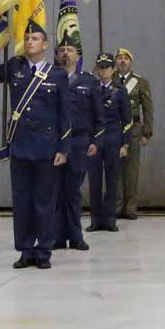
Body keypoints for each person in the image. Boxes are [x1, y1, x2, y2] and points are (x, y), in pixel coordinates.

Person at [0, 22, 70, 268]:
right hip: (21, 146)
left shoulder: (57, 74)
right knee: (23, 201)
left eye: (35, 38)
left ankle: (44, 251)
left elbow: (65, 114)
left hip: (47, 148)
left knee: (44, 202)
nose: (29, 42)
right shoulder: (15, 66)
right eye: (26, 38)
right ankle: (26, 250)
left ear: (45, 45)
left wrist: (63, 148)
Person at [52, 40, 101, 251]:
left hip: (79, 143)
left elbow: (99, 115)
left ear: (78, 56)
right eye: (61, 51)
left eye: (69, 50)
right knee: (55, 191)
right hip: (54, 143)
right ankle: (58, 237)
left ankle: (76, 236)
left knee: (72, 191)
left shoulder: (89, 82)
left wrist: (96, 141)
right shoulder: (49, 78)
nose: (65, 54)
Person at [87, 53, 131, 232]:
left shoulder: (120, 91)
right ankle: (96, 220)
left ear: (113, 69)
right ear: (96, 69)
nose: (103, 70)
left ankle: (110, 219)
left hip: (113, 138)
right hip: (95, 139)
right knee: (94, 181)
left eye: (107, 67)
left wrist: (125, 144)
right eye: (100, 67)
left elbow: (127, 120)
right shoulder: (90, 89)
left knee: (112, 180)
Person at [114, 48, 153, 219]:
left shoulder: (140, 82)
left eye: (126, 58)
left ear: (131, 62)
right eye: (120, 58)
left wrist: (147, 132)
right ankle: (115, 207)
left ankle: (130, 208)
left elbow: (148, 108)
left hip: (134, 129)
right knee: (114, 170)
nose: (122, 61)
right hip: (113, 129)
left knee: (131, 170)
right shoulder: (110, 79)